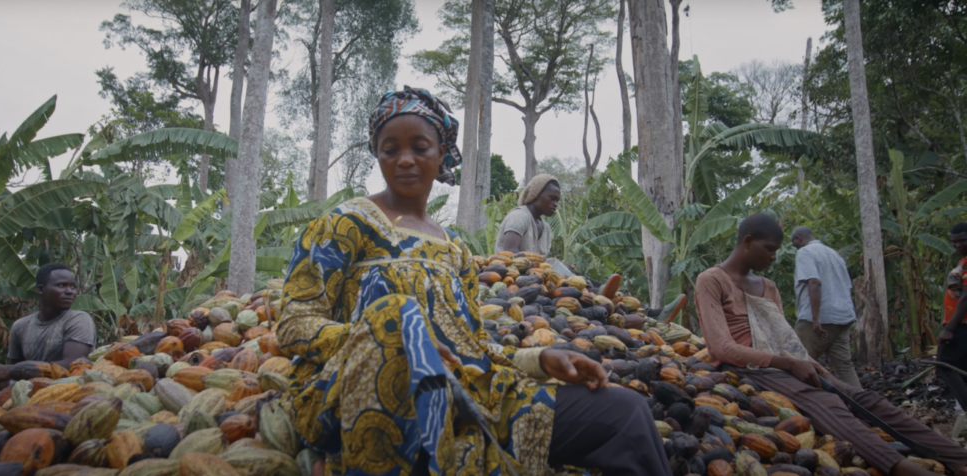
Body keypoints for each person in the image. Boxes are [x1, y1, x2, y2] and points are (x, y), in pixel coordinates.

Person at [275, 86, 670, 476]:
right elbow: (295, 323)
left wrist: (540, 359)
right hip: (361, 389)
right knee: (396, 315)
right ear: (377, 155)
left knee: (626, 414)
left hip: (467, 391)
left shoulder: (455, 251)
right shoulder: (345, 223)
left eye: (420, 147)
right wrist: (403, 341)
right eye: (390, 149)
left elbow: (473, 346)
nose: (405, 160)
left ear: (442, 152)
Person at [695, 214, 967, 476]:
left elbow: (785, 340)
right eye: (769, 249)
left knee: (864, 398)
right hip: (752, 368)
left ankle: (957, 458)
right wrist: (790, 363)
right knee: (825, 401)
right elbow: (722, 349)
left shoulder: (768, 286)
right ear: (748, 241)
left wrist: (816, 368)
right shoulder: (712, 280)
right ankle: (899, 466)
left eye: (776, 250)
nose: (773, 257)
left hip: (783, 361)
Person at [0, 263, 95, 389]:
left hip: (67, 387)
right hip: (28, 388)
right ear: (41, 289)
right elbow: (15, 372)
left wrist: (5, 370)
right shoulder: (21, 326)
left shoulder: (78, 320)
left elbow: (71, 365)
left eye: (73, 287)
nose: (70, 291)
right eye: (62, 285)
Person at [790, 226, 862, 388]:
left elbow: (814, 282)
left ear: (799, 239)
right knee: (844, 368)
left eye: (794, 243)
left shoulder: (805, 252)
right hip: (842, 317)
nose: (795, 247)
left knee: (797, 362)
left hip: (818, 319)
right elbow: (847, 287)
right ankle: (863, 405)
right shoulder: (834, 254)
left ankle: (808, 408)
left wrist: (816, 318)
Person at [938, 222, 967, 412]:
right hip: (959, 323)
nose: (958, 245)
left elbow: (966, 297)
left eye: (962, 241)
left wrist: (949, 329)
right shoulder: (962, 262)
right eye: (954, 242)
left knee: (944, 365)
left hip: (961, 325)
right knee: (961, 369)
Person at [493, 174, 560, 256]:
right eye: (552, 199)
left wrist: (560, 265)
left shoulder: (546, 228)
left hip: (533, 269)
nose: (555, 204)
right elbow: (510, 256)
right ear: (536, 195)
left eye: (557, 201)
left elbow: (543, 262)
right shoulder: (519, 217)